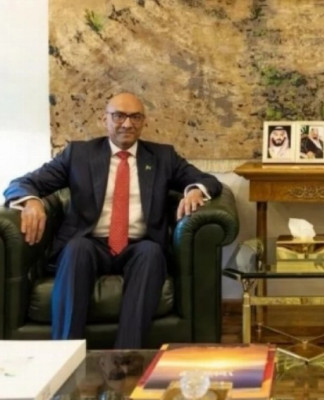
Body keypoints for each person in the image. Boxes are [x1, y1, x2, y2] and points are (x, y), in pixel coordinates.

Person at [3, 92, 223, 348]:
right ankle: (64, 354)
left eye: (135, 117)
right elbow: (22, 183)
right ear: (104, 119)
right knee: (76, 249)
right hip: (89, 243)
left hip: (140, 246)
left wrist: (194, 190)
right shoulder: (78, 154)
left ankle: (125, 357)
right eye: (119, 116)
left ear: (144, 122)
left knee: (151, 253)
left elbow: (209, 181)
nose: (127, 124)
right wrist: (32, 202)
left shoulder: (163, 157)